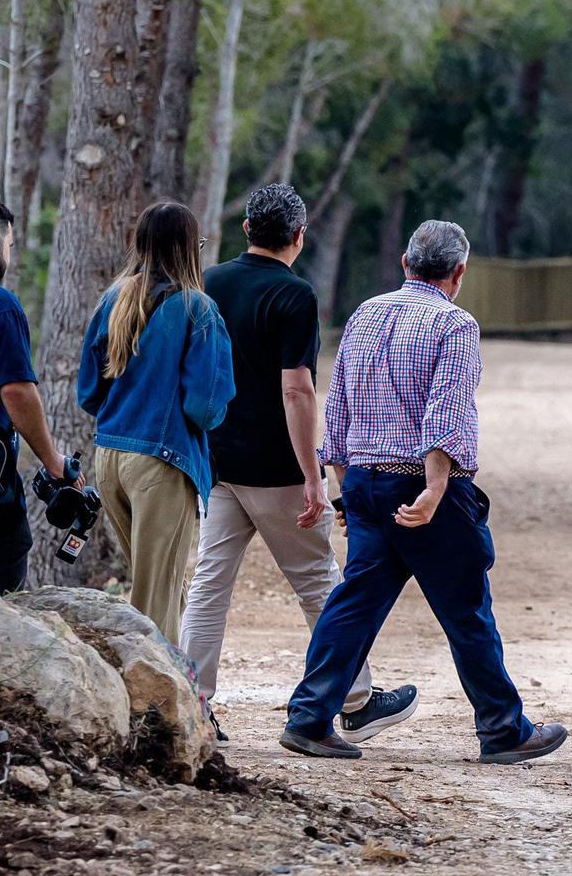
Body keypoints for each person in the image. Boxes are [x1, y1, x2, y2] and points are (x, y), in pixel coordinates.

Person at [279, 219, 566, 763]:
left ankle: (310, 717)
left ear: (406, 264)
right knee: (466, 608)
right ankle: (503, 729)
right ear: (458, 273)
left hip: (365, 480)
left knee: (357, 600)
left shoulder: (365, 314)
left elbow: (336, 408)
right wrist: (435, 488)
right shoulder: (454, 325)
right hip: (423, 489)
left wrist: (347, 490)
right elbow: (446, 413)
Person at [179, 183, 417, 745]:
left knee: (209, 585)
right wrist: (314, 474)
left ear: (246, 230)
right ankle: (355, 701)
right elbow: (297, 391)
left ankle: (191, 703)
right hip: (275, 467)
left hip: (217, 461)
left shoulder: (208, 284)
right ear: (299, 236)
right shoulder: (294, 296)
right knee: (319, 583)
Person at [77, 202, 236, 640]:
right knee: (156, 597)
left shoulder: (112, 300)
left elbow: (90, 393)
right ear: (189, 248)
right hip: (161, 463)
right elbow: (205, 407)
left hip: (110, 458)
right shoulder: (197, 310)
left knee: (159, 588)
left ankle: (171, 689)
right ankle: (161, 705)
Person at [0, 193, 74, 593]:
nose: (7, 257)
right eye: (9, 246)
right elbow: (16, 391)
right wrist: (53, 460)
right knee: (3, 579)